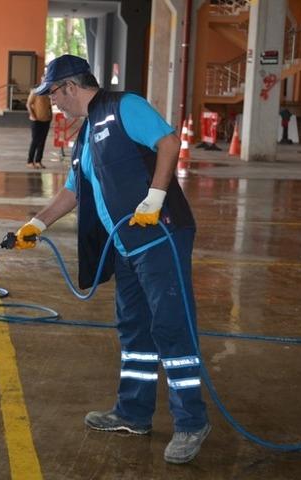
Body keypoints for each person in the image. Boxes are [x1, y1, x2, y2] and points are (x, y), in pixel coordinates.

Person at [13, 55, 210, 464]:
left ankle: (191, 422)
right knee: (134, 330)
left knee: (171, 327)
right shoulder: (85, 136)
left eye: (53, 95)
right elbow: (72, 191)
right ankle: (133, 413)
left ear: (69, 86)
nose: (54, 104)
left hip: (161, 236)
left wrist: (154, 199)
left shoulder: (125, 106)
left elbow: (169, 142)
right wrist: (37, 224)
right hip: (126, 245)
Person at [25, 78, 53, 169]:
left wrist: (51, 116)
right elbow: (28, 104)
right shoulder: (35, 92)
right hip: (36, 121)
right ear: (42, 81)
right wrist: (33, 116)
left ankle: (38, 161)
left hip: (46, 120)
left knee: (42, 141)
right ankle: (30, 161)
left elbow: (49, 106)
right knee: (35, 141)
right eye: (45, 79)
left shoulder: (47, 93)